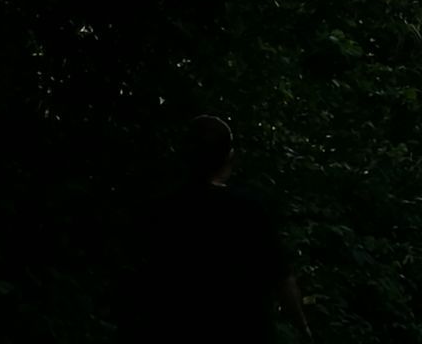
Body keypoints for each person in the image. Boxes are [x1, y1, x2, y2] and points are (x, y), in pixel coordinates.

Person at [132, 115, 310, 343]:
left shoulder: (162, 209)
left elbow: (145, 281)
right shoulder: (248, 209)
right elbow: (281, 277)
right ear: (229, 157)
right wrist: (303, 328)